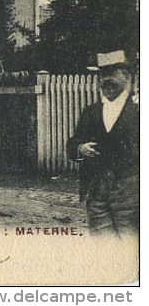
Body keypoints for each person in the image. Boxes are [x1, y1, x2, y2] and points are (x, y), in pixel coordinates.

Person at [67, 50, 139, 237]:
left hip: (131, 195)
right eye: (102, 75)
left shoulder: (138, 112)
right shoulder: (91, 112)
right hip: (96, 193)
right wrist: (80, 148)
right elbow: (74, 142)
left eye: (111, 74)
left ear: (126, 76)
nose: (106, 80)